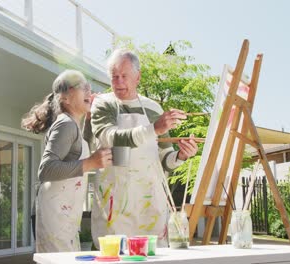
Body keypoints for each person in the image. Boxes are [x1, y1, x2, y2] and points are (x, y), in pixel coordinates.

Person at [90, 49, 199, 247]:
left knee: (152, 256)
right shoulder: (102, 103)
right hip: (115, 201)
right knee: (115, 256)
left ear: (138, 77)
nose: (119, 82)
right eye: (114, 77)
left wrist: (182, 155)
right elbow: (109, 137)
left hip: (149, 201)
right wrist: (154, 129)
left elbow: (165, 158)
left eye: (124, 76)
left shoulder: (154, 108)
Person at [21, 69, 112, 253]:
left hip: (62, 213)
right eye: (82, 87)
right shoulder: (66, 124)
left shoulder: (72, 124)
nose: (89, 90)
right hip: (54, 214)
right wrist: (91, 163)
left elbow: (80, 148)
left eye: (89, 87)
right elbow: (46, 170)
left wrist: (89, 117)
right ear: (65, 98)